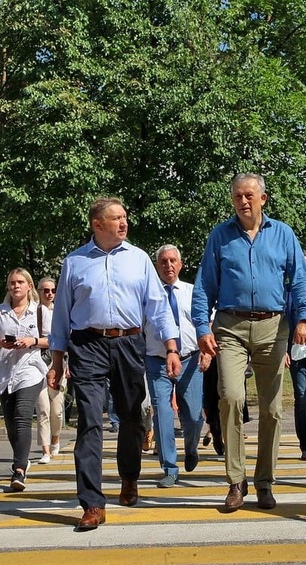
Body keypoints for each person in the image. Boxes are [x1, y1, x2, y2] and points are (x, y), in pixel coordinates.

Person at [48, 197, 181, 531]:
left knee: (132, 416)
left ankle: (129, 477)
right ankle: (92, 502)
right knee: (90, 421)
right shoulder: (75, 262)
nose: (124, 223)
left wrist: (171, 347)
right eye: (116, 218)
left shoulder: (138, 259)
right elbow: (62, 315)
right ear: (97, 224)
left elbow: (157, 307)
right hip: (87, 343)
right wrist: (57, 360)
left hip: (129, 342)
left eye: (125, 218)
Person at [192, 172, 306, 512]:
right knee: (230, 397)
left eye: (249, 195)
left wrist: (304, 319)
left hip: (273, 327)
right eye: (237, 196)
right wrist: (202, 327)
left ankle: (264, 481)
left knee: (272, 408)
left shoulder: (283, 234)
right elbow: (204, 286)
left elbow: (301, 280)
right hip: (229, 326)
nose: (243, 202)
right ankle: (235, 481)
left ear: (263, 198)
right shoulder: (220, 236)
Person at [144, 244, 211, 488]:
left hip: (190, 360)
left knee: (193, 416)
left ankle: (191, 448)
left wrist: (207, 352)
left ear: (180, 264)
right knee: (162, 414)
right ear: (157, 266)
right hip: (156, 361)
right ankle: (169, 468)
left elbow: (207, 323)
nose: (168, 265)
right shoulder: (149, 296)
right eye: (163, 261)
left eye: (173, 261)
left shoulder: (193, 293)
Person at [0, 268, 50, 490]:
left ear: (29, 286)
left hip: (30, 370)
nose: (16, 286)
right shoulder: (1, 313)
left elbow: (55, 339)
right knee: (11, 423)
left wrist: (33, 341)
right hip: (4, 372)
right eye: (12, 283)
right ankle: (23, 459)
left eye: (20, 282)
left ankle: (18, 469)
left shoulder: (40, 312)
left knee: (22, 415)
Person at [285, 249, 306, 461]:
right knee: (301, 398)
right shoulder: (286, 291)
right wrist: (283, 351)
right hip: (295, 354)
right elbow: (280, 323)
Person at [34, 277, 63, 464]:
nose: (49, 294)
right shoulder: (34, 311)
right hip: (37, 361)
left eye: (52, 290)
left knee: (57, 410)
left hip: (59, 360)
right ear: (38, 291)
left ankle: (55, 440)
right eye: (45, 290)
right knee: (43, 408)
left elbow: (67, 337)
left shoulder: (61, 311)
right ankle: (45, 450)